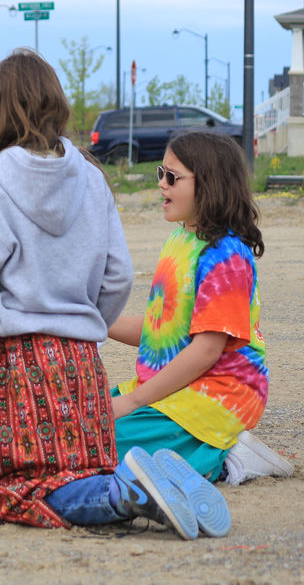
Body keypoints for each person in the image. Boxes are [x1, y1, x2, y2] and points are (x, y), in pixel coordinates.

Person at [0, 49, 229, 540]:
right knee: (80, 469)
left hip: (18, 370)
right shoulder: (91, 177)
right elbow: (118, 275)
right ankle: (127, 485)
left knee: (8, 488)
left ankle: (127, 494)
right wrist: (83, 321)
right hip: (80, 366)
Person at [109, 131, 293, 485]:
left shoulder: (226, 256)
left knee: (102, 447)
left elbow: (207, 350)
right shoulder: (181, 238)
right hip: (175, 386)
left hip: (219, 394)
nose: (161, 184)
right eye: (160, 173)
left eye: (172, 177)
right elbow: (159, 332)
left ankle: (230, 459)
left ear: (210, 184)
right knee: (78, 426)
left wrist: (132, 401)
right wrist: (98, 321)